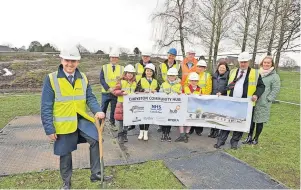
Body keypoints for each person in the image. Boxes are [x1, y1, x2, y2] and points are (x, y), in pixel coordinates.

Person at [41, 46, 111, 189]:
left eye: (73, 61)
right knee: (65, 152)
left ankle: (96, 174)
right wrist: (49, 128)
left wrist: (97, 110)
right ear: (61, 60)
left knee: (97, 140)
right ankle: (66, 183)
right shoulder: (51, 79)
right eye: (67, 60)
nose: (70, 64)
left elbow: (89, 97)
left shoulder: (83, 77)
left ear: (78, 62)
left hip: (81, 120)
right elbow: (46, 105)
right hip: (64, 123)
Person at [214, 52, 265, 149]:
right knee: (227, 121)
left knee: (240, 123)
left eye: (245, 62)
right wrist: (222, 92)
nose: (243, 64)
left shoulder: (255, 73)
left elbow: (261, 86)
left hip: (245, 104)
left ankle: (234, 142)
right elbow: (229, 85)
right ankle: (221, 141)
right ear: (239, 62)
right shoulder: (233, 72)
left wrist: (256, 95)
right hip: (231, 102)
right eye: (241, 62)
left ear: (248, 62)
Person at [242, 54, 280, 145]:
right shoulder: (256, 73)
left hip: (263, 102)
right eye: (265, 62)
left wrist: (268, 99)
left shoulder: (274, 76)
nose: (266, 64)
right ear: (262, 63)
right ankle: (249, 136)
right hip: (253, 100)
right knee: (251, 120)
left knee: (259, 121)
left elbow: (275, 89)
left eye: (268, 63)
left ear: (272, 64)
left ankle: (256, 138)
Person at [113, 64, 137, 144]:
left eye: (131, 73)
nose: (130, 74)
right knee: (121, 121)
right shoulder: (120, 81)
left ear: (133, 74)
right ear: (125, 73)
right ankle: (120, 136)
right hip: (121, 104)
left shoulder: (134, 83)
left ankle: (125, 134)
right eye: (128, 73)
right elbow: (115, 91)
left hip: (130, 104)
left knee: (127, 120)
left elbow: (136, 92)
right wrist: (122, 92)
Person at [187, 59, 212, 136]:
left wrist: (204, 97)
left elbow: (209, 87)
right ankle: (190, 129)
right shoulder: (191, 74)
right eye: (199, 66)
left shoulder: (207, 76)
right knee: (191, 113)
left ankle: (199, 130)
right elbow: (186, 84)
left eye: (202, 67)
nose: (200, 68)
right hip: (192, 98)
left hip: (202, 98)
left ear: (205, 68)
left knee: (200, 113)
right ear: (196, 67)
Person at [135, 63, 160, 140]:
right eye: (147, 71)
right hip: (142, 102)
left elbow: (159, 90)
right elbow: (136, 89)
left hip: (151, 103)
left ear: (153, 73)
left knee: (148, 118)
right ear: (145, 72)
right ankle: (141, 132)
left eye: (151, 71)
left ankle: (146, 132)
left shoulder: (155, 81)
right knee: (141, 117)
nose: (149, 73)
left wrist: (155, 90)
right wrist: (143, 90)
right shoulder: (141, 80)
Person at [100, 50, 124, 127]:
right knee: (103, 109)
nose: (114, 59)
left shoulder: (121, 68)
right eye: (112, 57)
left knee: (113, 109)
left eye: (116, 57)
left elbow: (123, 80)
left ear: (118, 59)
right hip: (106, 92)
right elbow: (102, 79)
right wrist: (108, 88)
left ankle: (112, 124)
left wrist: (117, 89)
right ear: (110, 58)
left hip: (115, 93)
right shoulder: (104, 67)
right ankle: (100, 124)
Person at [175, 72, 201, 143]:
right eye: (192, 80)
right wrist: (179, 93)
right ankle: (182, 134)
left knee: (190, 121)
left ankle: (186, 134)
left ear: (197, 81)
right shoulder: (186, 87)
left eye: (195, 81)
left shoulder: (200, 89)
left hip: (193, 108)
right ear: (189, 81)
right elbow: (181, 94)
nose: (193, 82)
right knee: (181, 120)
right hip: (184, 106)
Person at [159, 68, 182, 142]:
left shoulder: (179, 85)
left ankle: (167, 133)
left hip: (173, 106)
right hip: (165, 105)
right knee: (163, 120)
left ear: (176, 76)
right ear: (168, 76)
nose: (171, 77)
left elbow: (181, 95)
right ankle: (163, 133)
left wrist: (179, 94)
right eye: (170, 76)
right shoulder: (163, 84)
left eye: (173, 76)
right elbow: (160, 93)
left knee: (169, 120)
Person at [208, 60, 230, 138]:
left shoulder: (228, 76)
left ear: (226, 69)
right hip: (213, 97)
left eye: (224, 68)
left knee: (219, 115)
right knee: (212, 114)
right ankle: (212, 131)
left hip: (222, 98)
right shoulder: (214, 75)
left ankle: (217, 131)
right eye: (220, 67)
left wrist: (222, 92)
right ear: (218, 68)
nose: (222, 69)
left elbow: (228, 87)